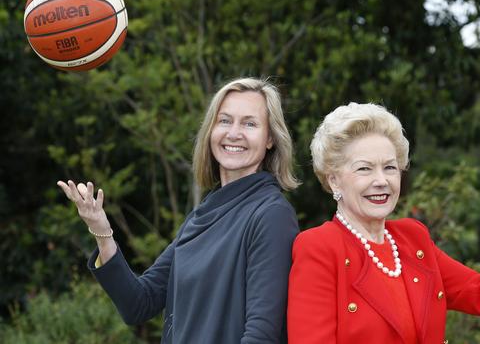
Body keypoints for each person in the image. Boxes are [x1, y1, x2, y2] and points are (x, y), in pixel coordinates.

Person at [287, 102, 480, 344]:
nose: (381, 181)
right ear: (334, 180)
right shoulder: (318, 247)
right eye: (364, 169)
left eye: (390, 168)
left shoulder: (412, 238)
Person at [58, 78, 300, 343]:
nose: (234, 133)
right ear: (210, 131)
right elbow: (139, 303)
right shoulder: (203, 214)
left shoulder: (271, 215)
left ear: (270, 139)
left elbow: (262, 334)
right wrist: (102, 232)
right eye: (225, 121)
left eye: (250, 123)